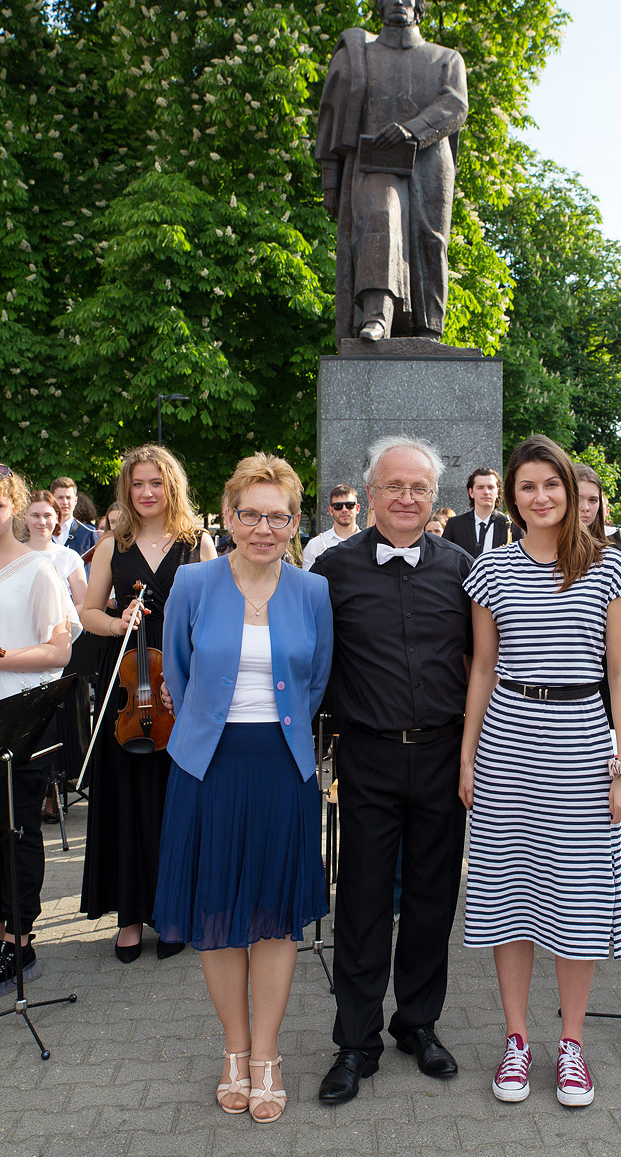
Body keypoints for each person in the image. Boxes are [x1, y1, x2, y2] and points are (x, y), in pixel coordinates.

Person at [459, 436, 621, 1108]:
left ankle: (570, 1044)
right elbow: (482, 668)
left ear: (571, 490)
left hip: (582, 745)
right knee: (509, 894)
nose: (541, 497)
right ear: (513, 496)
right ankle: (515, 1040)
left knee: (579, 897)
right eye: (527, 487)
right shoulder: (491, 570)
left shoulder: (611, 567)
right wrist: (468, 755)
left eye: (552, 485)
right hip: (508, 742)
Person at [154, 453, 333, 1123]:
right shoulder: (195, 584)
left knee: (275, 918)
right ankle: (233, 1050)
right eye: (250, 515)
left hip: (282, 769)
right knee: (220, 916)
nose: (264, 527)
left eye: (278, 516)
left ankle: (267, 1055)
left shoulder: (311, 592)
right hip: (209, 769)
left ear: (294, 522)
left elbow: (316, 681)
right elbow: (177, 667)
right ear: (228, 516)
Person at [313, 435, 473, 1104]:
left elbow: (486, 664)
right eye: (393, 487)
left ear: (433, 497)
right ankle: (356, 1040)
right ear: (369, 493)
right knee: (363, 901)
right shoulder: (332, 572)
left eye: (418, 488)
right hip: (369, 755)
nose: (406, 498)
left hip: (442, 754)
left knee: (434, 901)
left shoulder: (463, 567)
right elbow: (310, 663)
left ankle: (418, 1024)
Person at [79, 445, 216, 962]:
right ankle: (131, 913)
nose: (147, 492)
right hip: (130, 684)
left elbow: (214, 616)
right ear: (127, 490)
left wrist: (186, 676)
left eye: (156, 483)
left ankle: (176, 909)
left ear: (171, 486)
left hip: (179, 682)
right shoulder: (115, 543)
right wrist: (118, 623)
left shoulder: (196, 542)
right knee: (128, 798)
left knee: (175, 801)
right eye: (138, 484)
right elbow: (88, 613)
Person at [316, 0, 468, 343]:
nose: (398, 2)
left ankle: (427, 330)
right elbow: (331, 117)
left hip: (429, 161)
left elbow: (455, 105)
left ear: (419, 7)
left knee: (430, 240)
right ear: (378, 4)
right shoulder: (359, 55)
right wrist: (330, 180)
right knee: (381, 219)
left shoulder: (445, 59)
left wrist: (412, 130)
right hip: (374, 160)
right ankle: (377, 316)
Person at [0, 466, 79, 992]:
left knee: (17, 828)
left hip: (19, 718)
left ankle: (18, 938)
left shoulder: (38, 570)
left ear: (13, 504)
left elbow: (59, 649)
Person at [25, 491, 90, 795]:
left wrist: (56, 620)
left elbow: (84, 603)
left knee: (58, 721)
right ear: (24, 518)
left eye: (47, 515)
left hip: (58, 646)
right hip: (20, 649)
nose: (42, 521)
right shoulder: (15, 555)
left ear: (57, 518)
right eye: (35, 515)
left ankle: (56, 791)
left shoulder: (68, 557)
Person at [442, 467, 522, 556]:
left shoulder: (513, 526)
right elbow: (445, 558)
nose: (486, 492)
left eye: (490, 487)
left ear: (498, 493)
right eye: (480, 487)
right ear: (471, 492)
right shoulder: (454, 524)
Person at [302, 484, 361, 570]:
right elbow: (308, 581)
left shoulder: (370, 542)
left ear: (357, 508)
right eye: (338, 506)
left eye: (349, 505)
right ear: (331, 510)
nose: (344, 509)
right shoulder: (315, 545)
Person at [49, 477, 98, 555]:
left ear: (75, 501)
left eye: (68, 498)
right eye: (60, 498)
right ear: (52, 500)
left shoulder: (89, 533)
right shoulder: (43, 531)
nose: (65, 502)